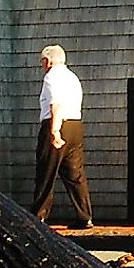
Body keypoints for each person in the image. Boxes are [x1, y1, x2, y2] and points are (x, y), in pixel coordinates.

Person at [32, 44, 92, 228]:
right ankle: (85, 216)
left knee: (46, 171)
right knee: (75, 173)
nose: (42, 65)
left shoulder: (52, 77)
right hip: (75, 124)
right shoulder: (72, 77)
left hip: (58, 123)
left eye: (42, 60)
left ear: (48, 60)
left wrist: (54, 131)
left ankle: (39, 216)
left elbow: (56, 104)